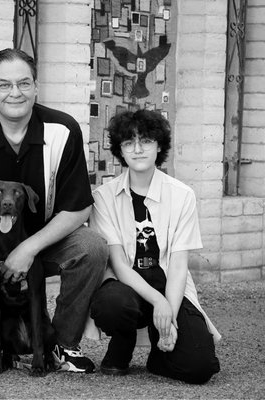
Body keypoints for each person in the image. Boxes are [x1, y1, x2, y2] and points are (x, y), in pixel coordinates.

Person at [0, 48, 108, 373]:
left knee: (91, 248)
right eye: (4, 85)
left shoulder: (63, 128)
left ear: (36, 86)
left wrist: (28, 248)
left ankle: (63, 345)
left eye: (24, 83)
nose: (15, 93)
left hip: (45, 237)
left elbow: (78, 208)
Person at [88, 109, 221, 383]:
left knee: (200, 367)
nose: (137, 149)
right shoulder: (103, 197)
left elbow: (178, 265)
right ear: (120, 150)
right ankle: (122, 341)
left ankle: (159, 354)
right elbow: (120, 266)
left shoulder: (182, 195)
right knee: (111, 304)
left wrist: (168, 315)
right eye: (128, 143)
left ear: (159, 145)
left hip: (169, 286)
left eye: (145, 141)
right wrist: (157, 301)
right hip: (128, 288)